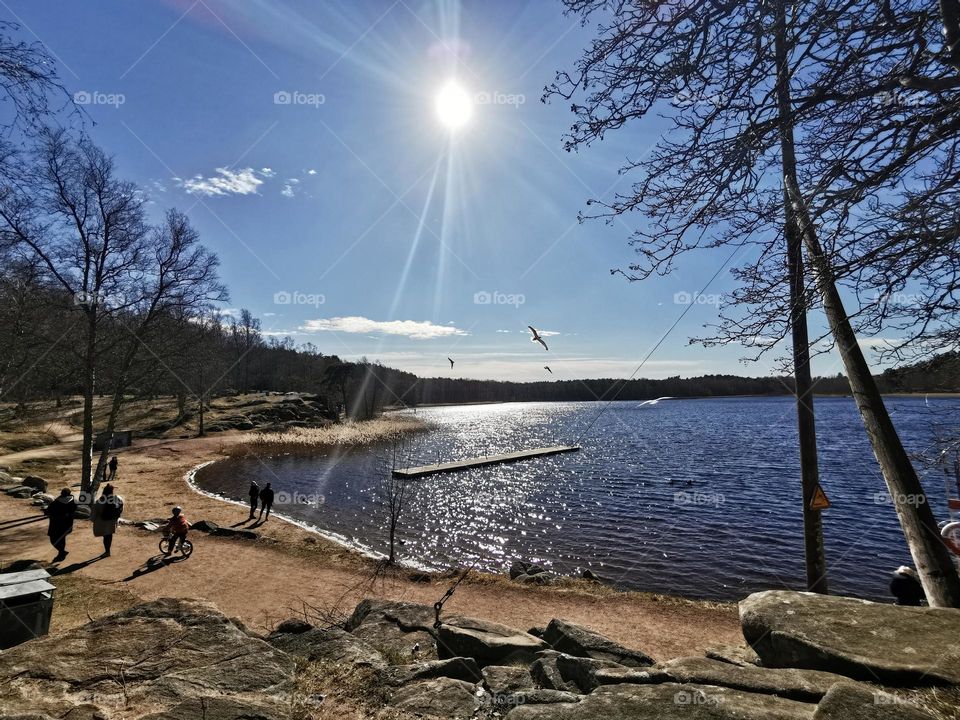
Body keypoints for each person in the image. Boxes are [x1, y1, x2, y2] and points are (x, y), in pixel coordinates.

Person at [45, 488, 77, 562]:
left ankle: (61, 552)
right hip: (67, 525)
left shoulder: (57, 502)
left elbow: (49, 510)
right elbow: (73, 511)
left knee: (53, 539)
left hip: (56, 524)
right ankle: (61, 552)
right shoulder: (72, 501)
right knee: (62, 539)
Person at [91, 483, 124, 557]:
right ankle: (107, 551)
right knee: (109, 536)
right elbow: (120, 509)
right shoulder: (116, 499)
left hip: (102, 522)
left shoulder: (99, 502)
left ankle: (107, 551)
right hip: (112, 522)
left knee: (105, 537)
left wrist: (93, 520)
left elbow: (93, 515)